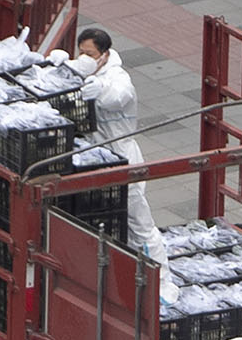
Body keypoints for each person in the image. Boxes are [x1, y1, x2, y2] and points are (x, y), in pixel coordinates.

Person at [51, 27, 172, 271]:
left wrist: (101, 91)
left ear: (104, 55)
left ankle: (160, 281)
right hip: (96, 156)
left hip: (123, 156)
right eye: (81, 52)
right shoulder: (85, 69)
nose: (86, 58)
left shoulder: (117, 77)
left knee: (139, 222)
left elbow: (119, 97)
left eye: (91, 54)